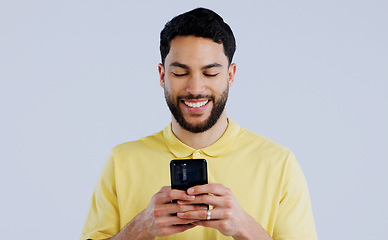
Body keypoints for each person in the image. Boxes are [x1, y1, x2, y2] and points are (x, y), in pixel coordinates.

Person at [80, 7, 317, 240]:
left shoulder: (279, 163)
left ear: (230, 75)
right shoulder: (121, 161)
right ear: (162, 76)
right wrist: (140, 228)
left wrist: (245, 228)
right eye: (181, 73)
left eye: (210, 73)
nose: (195, 89)